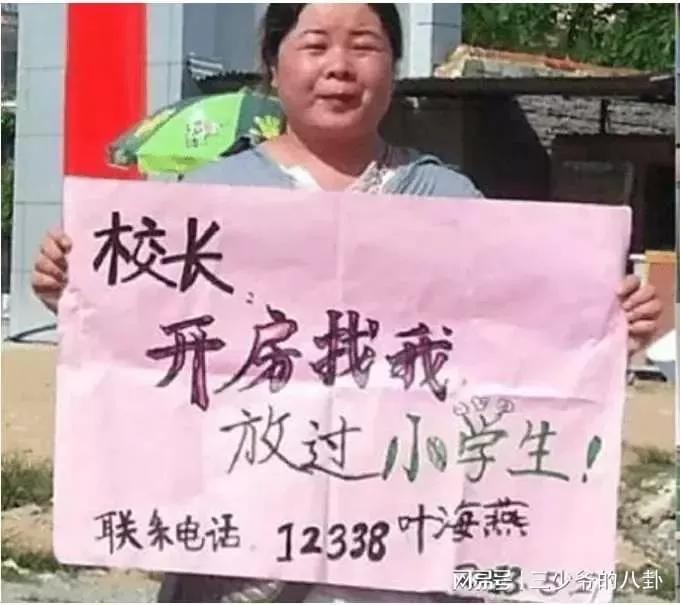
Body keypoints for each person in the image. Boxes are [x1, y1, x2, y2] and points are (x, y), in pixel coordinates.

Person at [31, 4, 661, 603]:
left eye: (364, 47)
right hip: (239, 551)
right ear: (273, 64)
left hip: (405, 542)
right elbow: (146, 354)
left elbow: (517, 348)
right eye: (315, 45)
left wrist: (603, 328)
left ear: (394, 67)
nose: (339, 66)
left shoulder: (451, 202)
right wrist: (79, 291)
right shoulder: (206, 200)